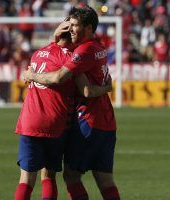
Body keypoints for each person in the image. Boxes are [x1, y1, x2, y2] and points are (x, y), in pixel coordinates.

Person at [23, 6, 121, 200]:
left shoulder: (83, 51)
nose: (71, 29)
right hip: (107, 122)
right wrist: (55, 37)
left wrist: (31, 75)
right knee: (105, 180)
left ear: (88, 28)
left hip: (88, 122)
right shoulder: (98, 45)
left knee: (71, 175)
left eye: (75, 25)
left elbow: (62, 79)